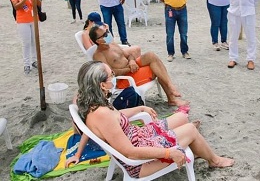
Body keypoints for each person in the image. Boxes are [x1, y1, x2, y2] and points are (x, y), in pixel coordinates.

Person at [72, 61, 234, 178]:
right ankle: (214, 160)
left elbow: (110, 121)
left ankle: (194, 143)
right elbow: (131, 152)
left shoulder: (94, 105)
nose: (114, 77)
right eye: (111, 75)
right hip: (139, 163)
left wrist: (140, 108)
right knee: (190, 129)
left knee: (181, 117)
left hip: (140, 135)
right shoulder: (102, 114)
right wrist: (169, 152)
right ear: (101, 85)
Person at [89, 25, 189, 107]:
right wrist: (128, 69)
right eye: (104, 34)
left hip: (132, 67)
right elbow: (110, 73)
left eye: (107, 32)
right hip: (125, 79)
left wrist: (132, 61)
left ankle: (171, 87)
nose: (108, 35)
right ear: (98, 40)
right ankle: (172, 98)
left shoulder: (112, 44)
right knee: (155, 69)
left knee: (151, 55)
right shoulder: (98, 55)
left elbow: (128, 55)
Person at [224, 0, 260, 70]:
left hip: (248, 11)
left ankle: (251, 59)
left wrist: (249, 5)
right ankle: (233, 58)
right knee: (233, 36)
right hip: (234, 11)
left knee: (251, 36)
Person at [10, 0, 42, 75]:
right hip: (22, 20)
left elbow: (39, 4)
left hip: (34, 19)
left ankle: (34, 61)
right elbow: (16, 6)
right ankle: (26, 64)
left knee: (34, 41)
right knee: (26, 43)